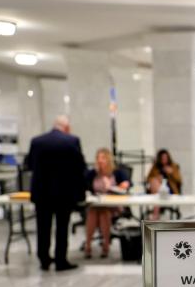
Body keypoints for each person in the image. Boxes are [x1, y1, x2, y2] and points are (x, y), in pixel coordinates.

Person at [27, 115, 86, 271]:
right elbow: (79, 168)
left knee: (43, 227)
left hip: (42, 193)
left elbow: (29, 165)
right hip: (64, 193)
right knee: (62, 227)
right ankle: (61, 260)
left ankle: (44, 259)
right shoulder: (72, 141)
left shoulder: (37, 141)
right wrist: (81, 194)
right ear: (66, 128)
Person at [84, 148, 130, 258]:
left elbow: (126, 185)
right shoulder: (92, 173)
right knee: (94, 211)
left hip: (114, 205)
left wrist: (112, 187)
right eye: (98, 158)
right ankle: (89, 244)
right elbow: (84, 185)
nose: (100, 161)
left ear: (109, 160)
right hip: (97, 204)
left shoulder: (117, 172)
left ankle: (104, 244)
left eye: (103, 158)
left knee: (102, 211)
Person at [145, 149, 182, 220]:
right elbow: (148, 179)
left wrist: (171, 173)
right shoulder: (155, 167)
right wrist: (157, 177)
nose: (164, 160)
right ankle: (156, 212)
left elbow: (179, 180)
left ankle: (155, 213)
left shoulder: (174, 166)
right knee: (154, 181)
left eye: (166, 158)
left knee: (156, 185)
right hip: (156, 189)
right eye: (162, 158)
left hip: (169, 190)